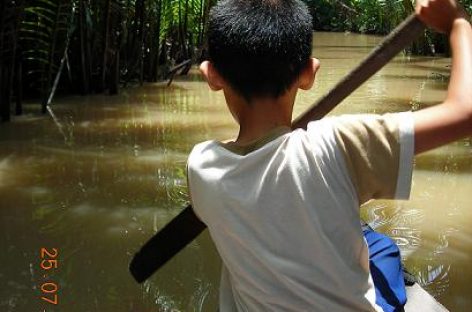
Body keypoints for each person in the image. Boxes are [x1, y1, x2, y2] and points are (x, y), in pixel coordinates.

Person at [186, 0, 472, 310]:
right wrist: (458, 23)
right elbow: (464, 112)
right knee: (382, 249)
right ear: (309, 73)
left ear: (211, 75)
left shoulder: (200, 165)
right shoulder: (335, 143)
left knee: (376, 245)